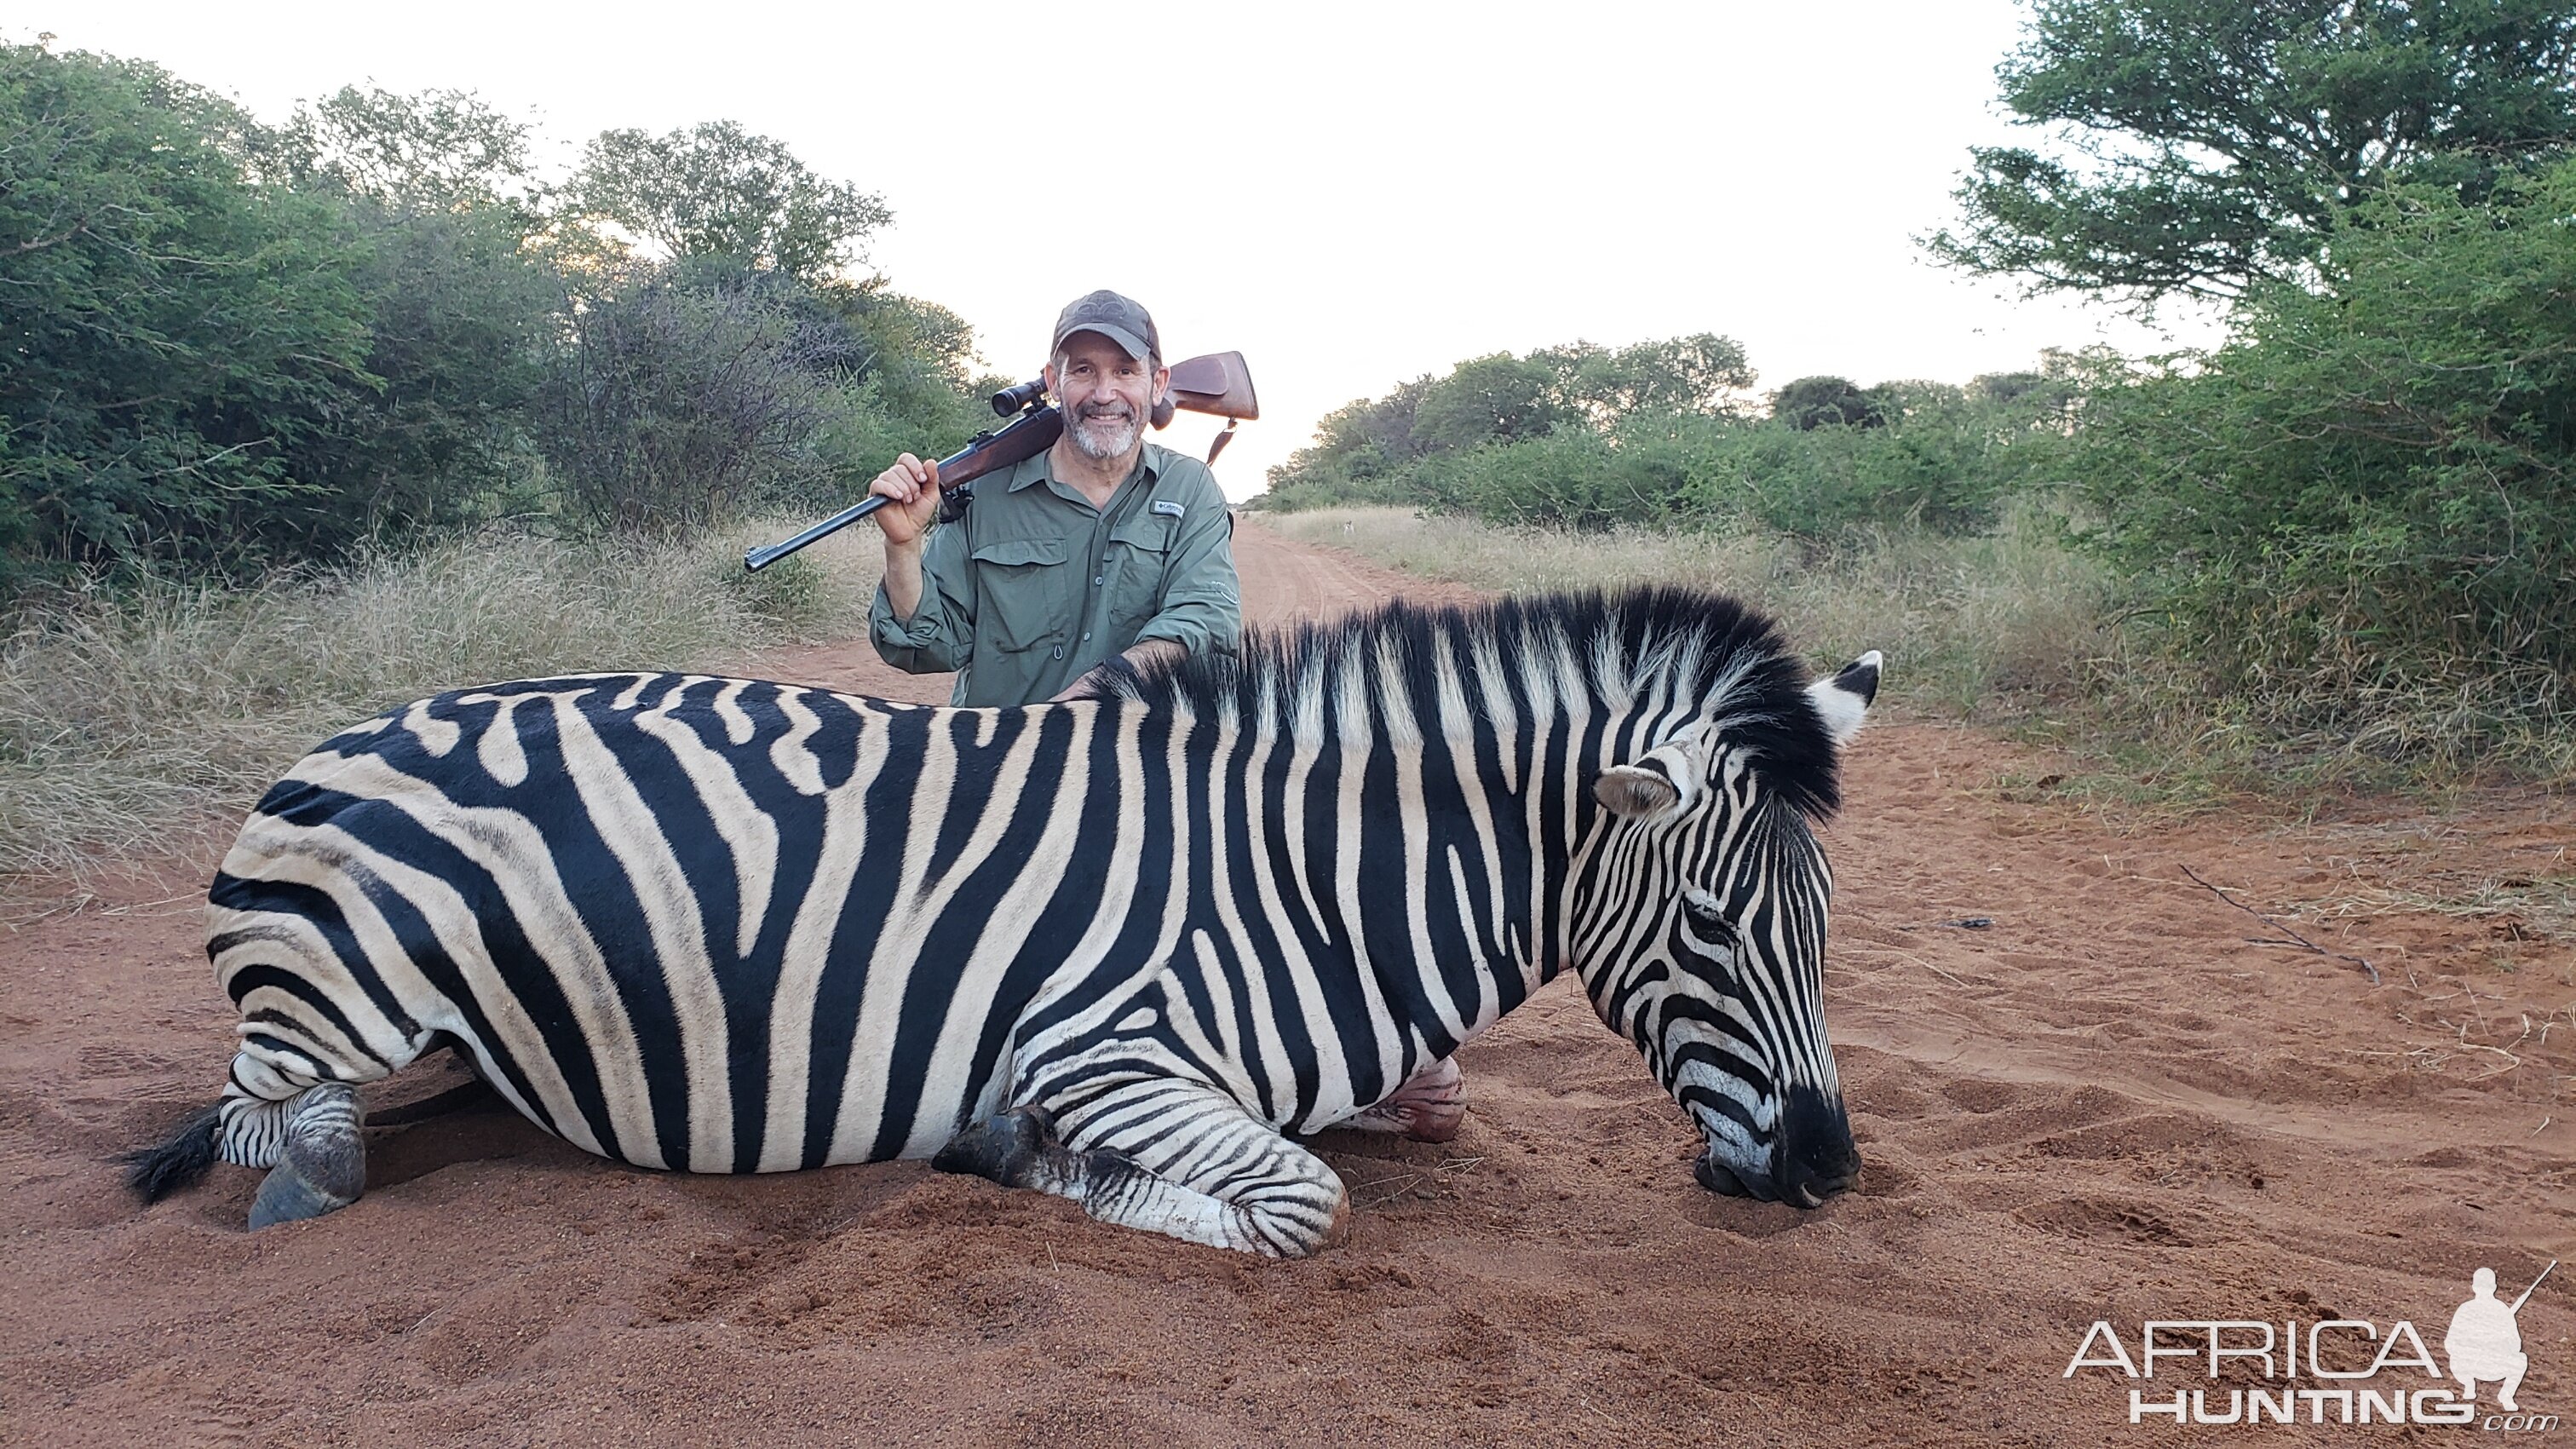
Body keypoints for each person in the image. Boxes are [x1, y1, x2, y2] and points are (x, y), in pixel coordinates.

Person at [865, 290, 1241, 706]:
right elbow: (927, 646)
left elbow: (1208, 618)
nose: (1103, 394)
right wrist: (901, 547)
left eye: (1125, 372)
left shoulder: (1189, 487)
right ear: (1052, 382)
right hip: (1005, 761)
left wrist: (1109, 684)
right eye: (1082, 370)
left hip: (1141, 763)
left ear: (1158, 384)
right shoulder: (984, 491)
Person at [2445, 1267, 2530, 1411]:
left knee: (2520, 1359)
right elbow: (2450, 1343)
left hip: (2491, 1365)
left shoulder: (2500, 1311)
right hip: (2471, 1364)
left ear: (2474, 1287)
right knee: (2455, 1358)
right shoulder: (2467, 1309)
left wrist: (2498, 1343)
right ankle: (2469, 1385)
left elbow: (2516, 1344)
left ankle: (2505, 1396)